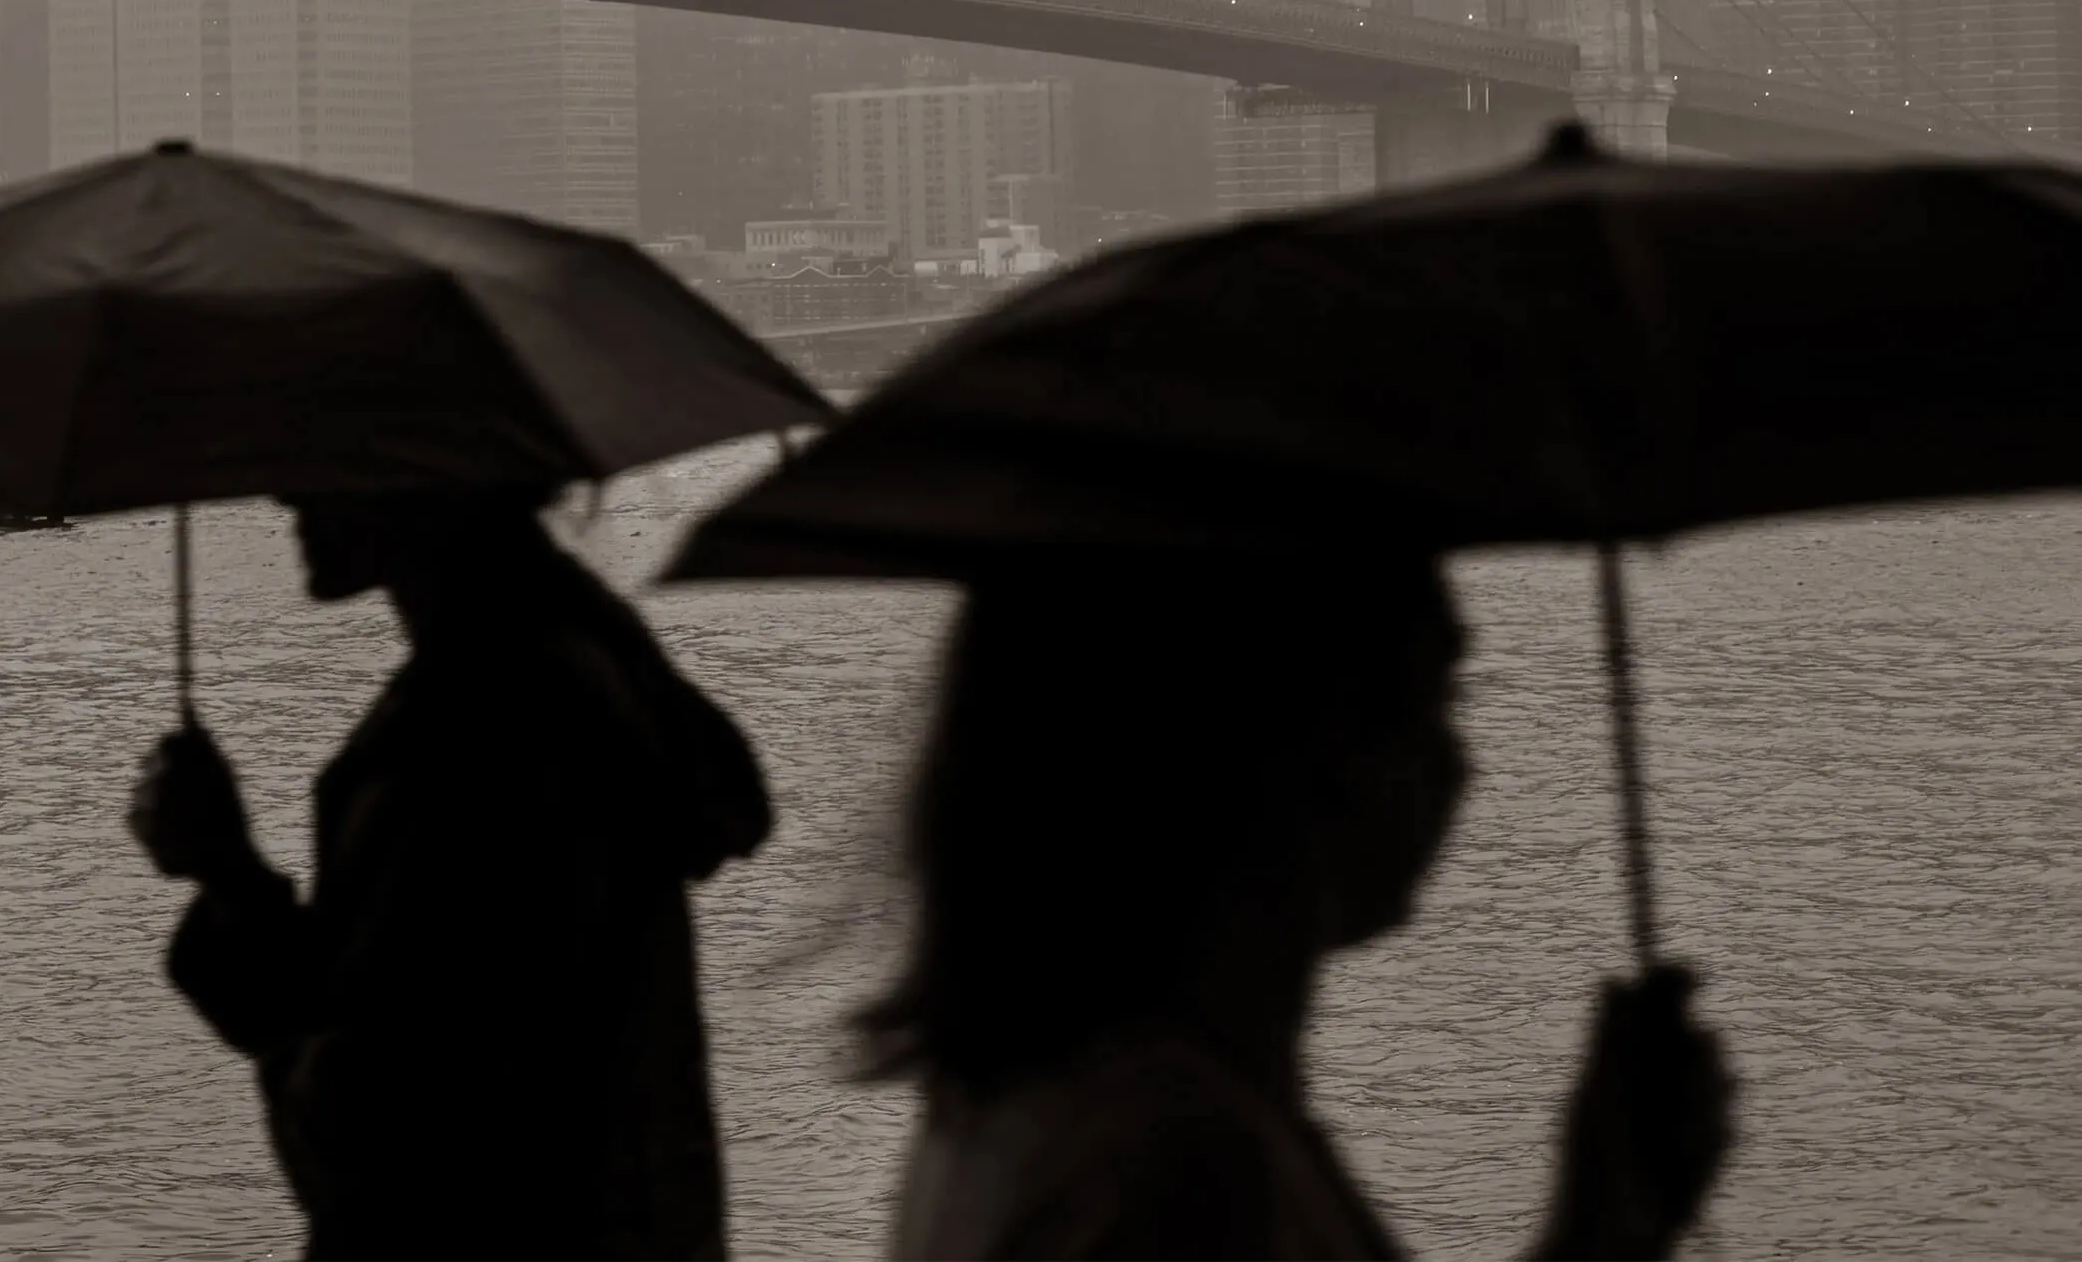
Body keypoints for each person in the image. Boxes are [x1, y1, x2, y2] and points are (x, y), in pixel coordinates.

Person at [868, 548, 1731, 1260]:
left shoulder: (1040, 1101)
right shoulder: (1181, 1169)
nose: (1461, 768)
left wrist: (1600, 1226)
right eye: (1433, 702)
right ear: (1308, 745)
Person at [126, 484, 773, 1259]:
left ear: (424, 465)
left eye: (326, 454)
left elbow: (366, 1143)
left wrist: (228, 877)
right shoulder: (585, 672)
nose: (287, 489)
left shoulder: (460, 750)